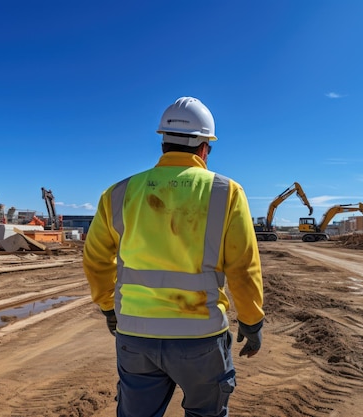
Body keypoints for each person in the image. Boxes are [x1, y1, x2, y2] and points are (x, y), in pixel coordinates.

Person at [83, 96, 265, 417]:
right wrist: (251, 321)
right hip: (201, 337)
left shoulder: (119, 193)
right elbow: (242, 266)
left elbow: (97, 260)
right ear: (204, 147)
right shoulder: (227, 192)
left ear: (163, 142)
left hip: (135, 336)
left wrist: (109, 307)